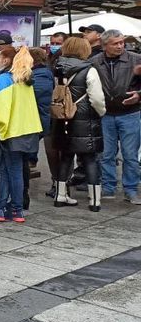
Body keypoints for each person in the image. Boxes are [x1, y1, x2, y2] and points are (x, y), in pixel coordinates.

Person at [0, 47, 42, 223]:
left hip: (13, 131)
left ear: (7, 61)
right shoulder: (26, 81)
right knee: (9, 170)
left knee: (13, 171)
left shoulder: (8, 80)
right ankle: (0, 208)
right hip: (29, 129)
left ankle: (16, 210)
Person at [51, 39, 104, 210]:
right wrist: (100, 112)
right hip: (85, 117)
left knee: (66, 157)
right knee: (90, 158)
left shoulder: (57, 68)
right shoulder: (89, 70)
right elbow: (96, 98)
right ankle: (94, 201)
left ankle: (60, 196)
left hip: (63, 116)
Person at [92, 29, 141, 203]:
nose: (120, 46)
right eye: (115, 43)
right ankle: (108, 187)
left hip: (130, 113)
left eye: (122, 42)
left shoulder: (136, 59)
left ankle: (131, 189)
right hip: (105, 114)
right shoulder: (95, 62)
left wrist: (139, 94)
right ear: (105, 45)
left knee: (130, 154)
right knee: (106, 153)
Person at [27, 47, 53, 210]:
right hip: (35, 117)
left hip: (37, 119)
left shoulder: (42, 74)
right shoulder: (40, 73)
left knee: (29, 146)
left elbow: (33, 93)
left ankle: (30, 162)